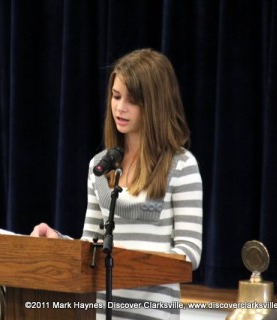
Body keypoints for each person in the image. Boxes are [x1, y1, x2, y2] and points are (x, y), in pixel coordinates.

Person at [31, 48, 203, 319]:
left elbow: (189, 255)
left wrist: (124, 264)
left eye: (132, 100)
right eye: (116, 96)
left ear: (155, 103)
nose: (120, 108)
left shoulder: (181, 165)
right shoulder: (100, 166)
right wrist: (58, 242)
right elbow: (90, 245)